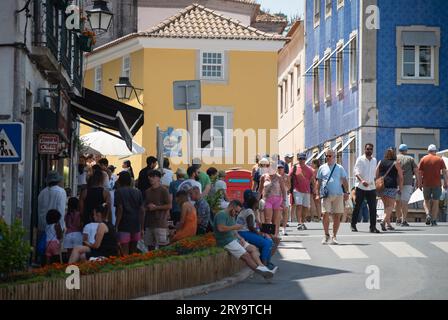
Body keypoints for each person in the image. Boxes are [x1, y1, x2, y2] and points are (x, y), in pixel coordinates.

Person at [213, 200, 277, 280]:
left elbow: (234, 231)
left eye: (238, 212)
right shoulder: (221, 214)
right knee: (246, 256)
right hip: (226, 241)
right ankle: (264, 273)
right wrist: (235, 227)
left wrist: (241, 238)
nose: (236, 214)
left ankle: (263, 267)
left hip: (233, 239)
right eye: (236, 211)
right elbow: (220, 228)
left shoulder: (231, 215)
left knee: (253, 249)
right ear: (232, 207)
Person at [316, 149, 349, 245]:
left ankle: (334, 236)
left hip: (338, 194)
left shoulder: (340, 168)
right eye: (326, 156)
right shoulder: (322, 168)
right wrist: (317, 194)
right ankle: (326, 235)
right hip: (326, 195)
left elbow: (344, 180)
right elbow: (318, 181)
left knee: (337, 216)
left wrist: (346, 192)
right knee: (325, 214)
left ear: (334, 157)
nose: (328, 157)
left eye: (330, 156)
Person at [237, 194, 275, 268]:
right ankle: (264, 264)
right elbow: (250, 226)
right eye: (257, 202)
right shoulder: (249, 211)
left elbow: (258, 224)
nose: (258, 204)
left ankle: (267, 262)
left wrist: (264, 232)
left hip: (245, 232)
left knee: (269, 241)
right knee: (266, 243)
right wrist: (259, 233)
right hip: (243, 232)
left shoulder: (250, 210)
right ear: (254, 204)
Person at [351, 143, 380, 233]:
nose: (369, 150)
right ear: (365, 149)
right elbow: (356, 172)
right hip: (361, 187)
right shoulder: (360, 159)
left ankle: (373, 227)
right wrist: (362, 181)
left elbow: (373, 173)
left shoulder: (374, 160)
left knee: (373, 208)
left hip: (371, 187)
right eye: (368, 149)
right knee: (357, 207)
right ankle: (353, 224)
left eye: (371, 149)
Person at [114, 171, 145, 255]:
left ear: (120, 180)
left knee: (124, 253)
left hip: (124, 224)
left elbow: (120, 209)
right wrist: (142, 227)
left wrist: (116, 225)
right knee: (133, 252)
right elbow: (142, 210)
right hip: (136, 225)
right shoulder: (138, 192)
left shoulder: (119, 192)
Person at [418, 144, 448, 226]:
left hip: (426, 184)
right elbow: (444, 172)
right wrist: (446, 182)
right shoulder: (439, 159)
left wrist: (419, 183)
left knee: (426, 200)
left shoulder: (423, 159)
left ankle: (428, 214)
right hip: (437, 184)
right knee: (436, 202)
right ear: (435, 151)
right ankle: (434, 220)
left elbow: (419, 173)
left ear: (428, 151)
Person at [376, 148, 403, 231]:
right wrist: (400, 187)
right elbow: (401, 177)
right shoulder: (396, 163)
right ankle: (383, 221)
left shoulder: (381, 161)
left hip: (382, 186)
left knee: (386, 206)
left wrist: (379, 181)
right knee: (390, 206)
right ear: (394, 154)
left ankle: (388, 224)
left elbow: (376, 172)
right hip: (391, 185)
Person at [258, 159, 286, 237]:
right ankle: (267, 236)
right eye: (269, 166)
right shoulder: (263, 177)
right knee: (267, 219)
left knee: (276, 220)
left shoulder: (279, 177)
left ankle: (275, 236)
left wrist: (284, 201)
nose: (271, 168)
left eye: (273, 167)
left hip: (277, 200)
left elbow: (283, 190)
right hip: (267, 200)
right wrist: (256, 200)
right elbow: (259, 190)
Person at [144, 170, 171, 250]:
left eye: (153, 176)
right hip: (149, 223)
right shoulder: (147, 191)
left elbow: (169, 205)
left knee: (162, 248)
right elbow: (145, 205)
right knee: (150, 248)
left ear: (158, 178)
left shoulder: (164, 190)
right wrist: (147, 207)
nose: (151, 178)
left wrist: (156, 207)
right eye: (149, 177)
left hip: (160, 224)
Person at [395, 144, 421, 227]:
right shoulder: (410, 159)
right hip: (407, 183)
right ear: (406, 150)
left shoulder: (395, 158)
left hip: (396, 183)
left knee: (397, 202)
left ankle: (398, 218)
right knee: (405, 202)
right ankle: (404, 220)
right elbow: (416, 171)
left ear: (399, 150)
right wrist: (418, 181)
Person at [289, 153, 314, 231]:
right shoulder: (294, 168)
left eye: (303, 159)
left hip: (306, 191)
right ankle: (299, 223)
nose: (301, 160)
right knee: (299, 205)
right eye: (300, 159)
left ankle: (302, 222)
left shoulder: (309, 169)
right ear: (298, 159)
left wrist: (315, 188)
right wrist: (289, 187)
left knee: (306, 207)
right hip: (297, 190)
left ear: (305, 159)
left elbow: (312, 179)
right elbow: (289, 177)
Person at [278, 163, 291, 236]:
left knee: (285, 211)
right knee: (277, 212)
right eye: (278, 168)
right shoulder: (275, 176)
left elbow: (289, 187)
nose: (280, 169)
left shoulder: (287, 176)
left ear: (283, 169)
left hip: (284, 194)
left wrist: (284, 182)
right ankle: (277, 229)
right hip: (276, 195)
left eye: (281, 168)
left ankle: (284, 228)